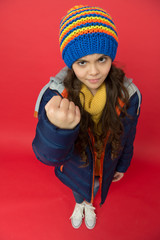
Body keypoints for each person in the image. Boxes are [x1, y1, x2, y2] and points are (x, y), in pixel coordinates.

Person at [32, 5, 141, 230]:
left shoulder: (129, 94)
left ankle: (88, 203)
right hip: (75, 162)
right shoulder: (56, 96)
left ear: (111, 57)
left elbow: (129, 134)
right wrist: (57, 128)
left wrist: (123, 163)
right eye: (82, 62)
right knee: (79, 185)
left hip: (106, 159)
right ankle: (79, 204)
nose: (94, 72)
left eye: (102, 59)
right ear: (71, 64)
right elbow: (47, 155)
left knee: (96, 184)